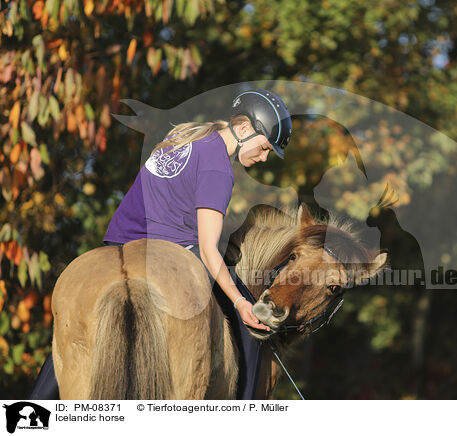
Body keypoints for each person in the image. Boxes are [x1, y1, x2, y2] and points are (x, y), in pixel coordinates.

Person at [28, 88, 293, 400]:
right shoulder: (218, 167)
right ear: (245, 128)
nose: (263, 158)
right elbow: (208, 249)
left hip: (120, 240)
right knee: (250, 328)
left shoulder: (184, 139)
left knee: (73, 332)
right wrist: (240, 303)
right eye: (264, 148)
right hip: (172, 249)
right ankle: (242, 415)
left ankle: (33, 408)